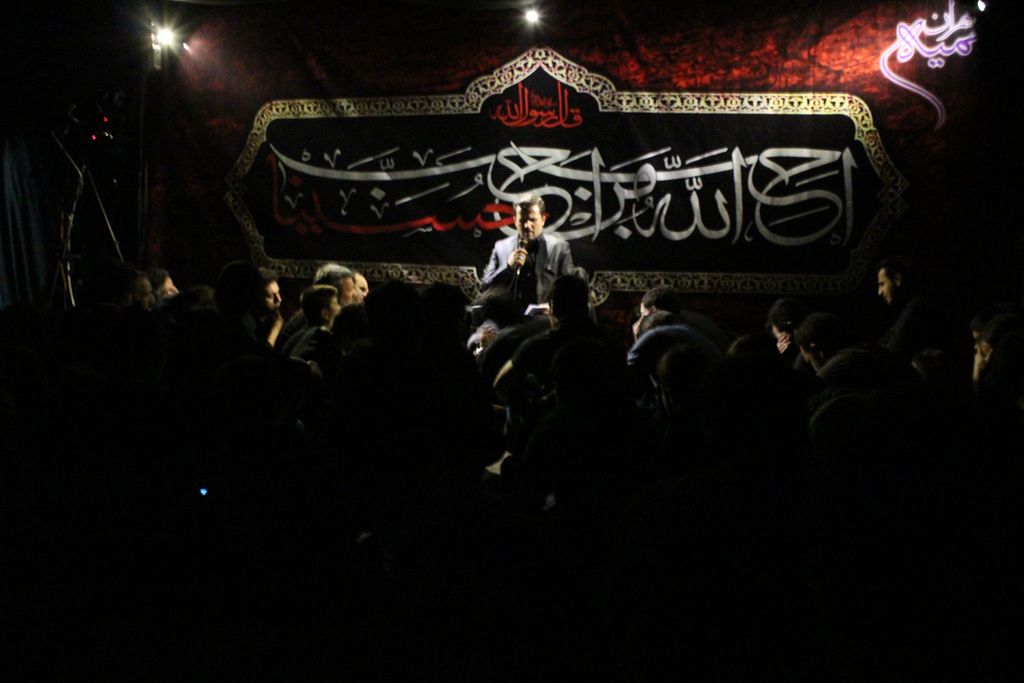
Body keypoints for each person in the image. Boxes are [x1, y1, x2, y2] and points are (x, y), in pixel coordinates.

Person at [480, 195, 585, 311]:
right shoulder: (501, 247)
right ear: (515, 220)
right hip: (507, 318)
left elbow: (572, 290)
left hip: (544, 319)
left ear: (543, 219)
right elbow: (485, 288)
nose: (527, 226)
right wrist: (508, 267)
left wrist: (553, 307)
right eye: (522, 220)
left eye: (532, 220)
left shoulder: (559, 248)